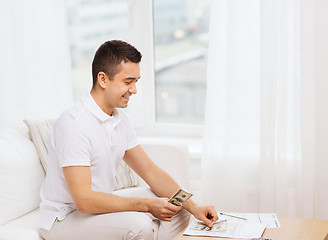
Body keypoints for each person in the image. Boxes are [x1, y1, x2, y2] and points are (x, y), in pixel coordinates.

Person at [39, 40, 218, 240]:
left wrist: (194, 207)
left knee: (177, 204)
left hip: (93, 211)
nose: (134, 90)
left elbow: (150, 171)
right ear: (103, 79)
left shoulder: (120, 119)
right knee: (138, 225)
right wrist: (146, 205)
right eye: (127, 81)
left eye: (136, 81)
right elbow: (84, 200)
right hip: (65, 218)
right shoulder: (74, 124)